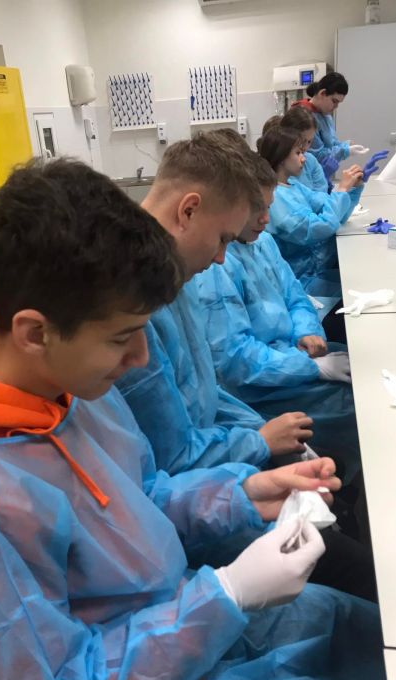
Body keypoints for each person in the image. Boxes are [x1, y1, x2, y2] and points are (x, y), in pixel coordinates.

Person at [0, 158, 396, 680]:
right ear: (34, 332)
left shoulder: (69, 394)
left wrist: (243, 495)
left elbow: (143, 497)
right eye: (121, 337)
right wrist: (227, 594)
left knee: (379, 646)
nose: (140, 358)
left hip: (184, 632)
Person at [117, 132, 314, 475]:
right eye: (223, 239)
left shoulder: (177, 275)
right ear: (188, 211)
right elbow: (172, 457)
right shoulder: (130, 303)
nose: (222, 258)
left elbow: (205, 393)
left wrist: (259, 432)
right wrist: (259, 443)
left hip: (209, 453)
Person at [196, 152, 362, 488]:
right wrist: (311, 368)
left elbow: (295, 296)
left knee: (362, 369)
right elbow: (237, 362)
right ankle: (354, 496)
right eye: (257, 209)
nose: (266, 218)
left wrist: (307, 332)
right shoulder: (216, 268)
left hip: (292, 357)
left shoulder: (264, 243)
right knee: (360, 411)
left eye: (269, 207)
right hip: (265, 389)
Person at [260, 125, 363, 299]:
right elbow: (319, 228)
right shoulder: (275, 197)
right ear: (281, 157)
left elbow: (336, 213)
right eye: (298, 153)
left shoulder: (293, 185)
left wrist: (353, 189)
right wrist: (341, 190)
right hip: (300, 282)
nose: (304, 158)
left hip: (316, 270)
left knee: (360, 281)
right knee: (353, 294)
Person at [293, 72, 367, 184]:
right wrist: (345, 150)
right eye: (334, 101)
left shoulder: (325, 115)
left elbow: (331, 143)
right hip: (308, 180)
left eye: (339, 103)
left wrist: (345, 145)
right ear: (322, 93)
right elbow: (316, 155)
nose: (336, 107)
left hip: (322, 178)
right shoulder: (304, 116)